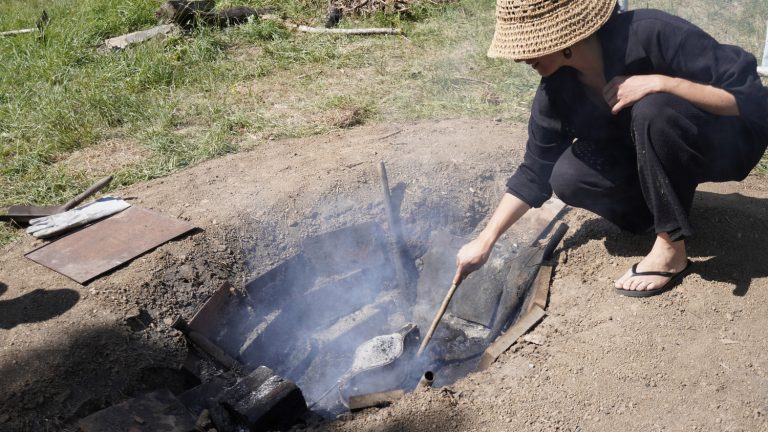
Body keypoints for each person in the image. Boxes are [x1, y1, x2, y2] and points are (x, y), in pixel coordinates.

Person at [453, 0, 768, 297]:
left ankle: (671, 248)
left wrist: (663, 83)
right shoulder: (557, 89)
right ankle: (659, 211)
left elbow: (752, 100)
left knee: (653, 108)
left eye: (528, 44)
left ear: (564, 35)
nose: (520, 57)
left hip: (726, 140)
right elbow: (535, 172)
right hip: (651, 156)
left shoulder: (652, 32)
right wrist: (485, 241)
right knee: (567, 175)